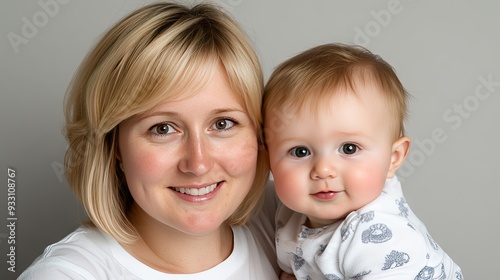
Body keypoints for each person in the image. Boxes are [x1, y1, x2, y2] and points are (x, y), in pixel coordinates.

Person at [18, 2, 280, 279]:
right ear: (113, 144)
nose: (198, 163)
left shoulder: (290, 219)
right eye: (163, 128)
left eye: (222, 124)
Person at [263, 43, 463, 279]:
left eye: (349, 148)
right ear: (267, 158)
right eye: (299, 152)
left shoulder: (380, 237)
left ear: (393, 159)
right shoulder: (288, 213)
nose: (323, 170)